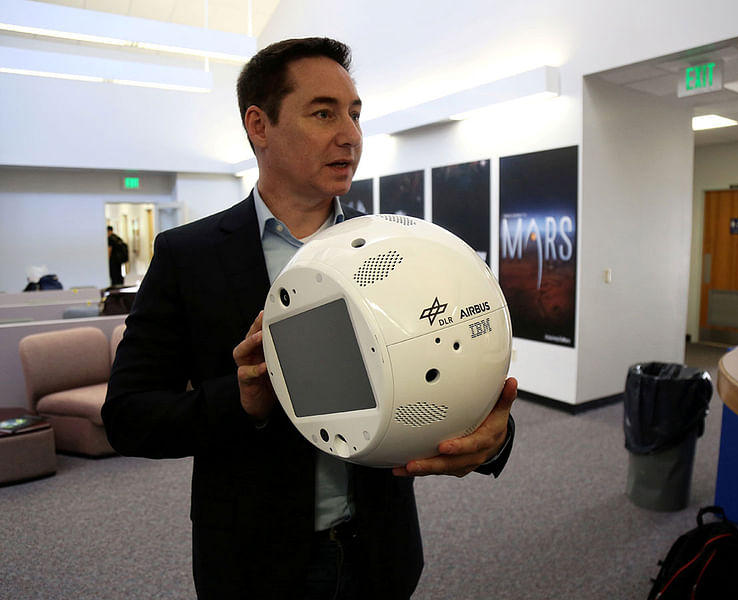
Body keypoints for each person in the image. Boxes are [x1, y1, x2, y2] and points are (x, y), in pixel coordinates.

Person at [102, 37, 517, 600]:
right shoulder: (189, 256)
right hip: (254, 562)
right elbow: (128, 416)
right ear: (259, 125)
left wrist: (490, 435)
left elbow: (446, 363)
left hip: (380, 555)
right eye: (323, 112)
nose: (350, 134)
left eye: (354, 113)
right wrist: (242, 401)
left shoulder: (397, 249)